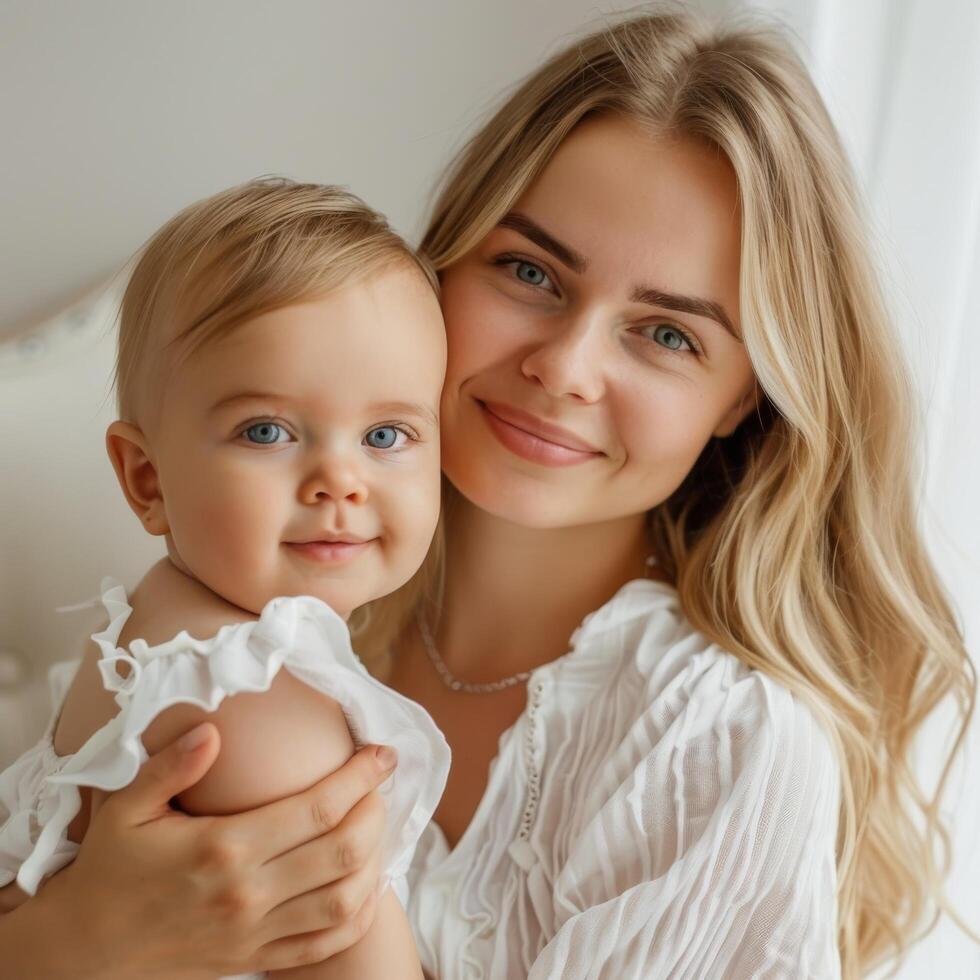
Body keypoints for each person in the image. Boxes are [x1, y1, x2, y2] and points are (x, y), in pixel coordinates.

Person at [2, 6, 976, 979]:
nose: (563, 366)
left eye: (668, 333)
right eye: (528, 271)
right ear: (442, 267)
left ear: (743, 397)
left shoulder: (710, 738)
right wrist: (71, 939)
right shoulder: (266, 583)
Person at [0, 179, 452, 979]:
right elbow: (347, 953)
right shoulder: (242, 698)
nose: (338, 481)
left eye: (386, 433)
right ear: (147, 478)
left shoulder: (168, 619)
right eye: (267, 430)